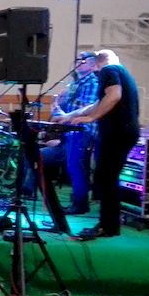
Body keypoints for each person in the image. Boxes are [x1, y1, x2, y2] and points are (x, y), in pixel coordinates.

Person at [64, 49, 140, 238]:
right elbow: (99, 102)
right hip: (125, 132)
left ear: (97, 64)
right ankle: (109, 225)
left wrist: (92, 118)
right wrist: (70, 115)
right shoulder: (122, 72)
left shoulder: (109, 70)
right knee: (107, 177)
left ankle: (108, 226)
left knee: (106, 177)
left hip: (117, 132)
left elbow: (113, 96)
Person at [47, 52, 99, 214]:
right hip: (71, 131)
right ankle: (76, 202)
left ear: (92, 64)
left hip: (82, 131)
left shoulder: (92, 83)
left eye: (82, 60)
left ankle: (80, 204)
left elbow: (86, 109)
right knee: (71, 165)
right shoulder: (76, 83)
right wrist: (57, 106)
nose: (78, 62)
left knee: (76, 166)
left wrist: (64, 112)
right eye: (77, 59)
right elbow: (65, 113)